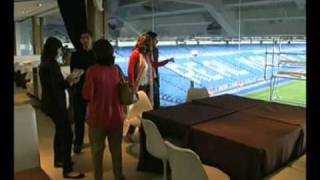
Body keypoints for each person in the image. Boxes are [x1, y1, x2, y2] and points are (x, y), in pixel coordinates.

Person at [39, 37, 84, 179]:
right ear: (54, 49)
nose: (60, 51)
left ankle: (59, 159)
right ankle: (67, 169)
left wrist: (70, 80)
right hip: (56, 105)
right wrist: (70, 79)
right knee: (67, 135)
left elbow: (55, 86)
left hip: (51, 104)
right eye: (59, 48)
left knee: (60, 132)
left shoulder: (46, 64)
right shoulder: (51, 65)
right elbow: (57, 86)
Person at [83, 39, 126, 180]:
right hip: (116, 117)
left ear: (96, 54)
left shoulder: (92, 71)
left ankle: (98, 178)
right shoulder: (117, 69)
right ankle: (118, 176)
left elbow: (87, 95)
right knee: (116, 151)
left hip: (97, 118)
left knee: (97, 153)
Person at [125, 33, 155, 142]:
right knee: (137, 112)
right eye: (151, 43)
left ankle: (140, 133)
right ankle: (131, 133)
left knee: (143, 112)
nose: (153, 45)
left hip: (146, 86)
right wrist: (133, 87)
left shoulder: (145, 55)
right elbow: (130, 71)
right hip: (139, 87)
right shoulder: (135, 54)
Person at [70, 29, 96, 154]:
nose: (85, 40)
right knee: (79, 117)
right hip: (79, 90)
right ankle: (78, 142)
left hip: (94, 92)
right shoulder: (75, 55)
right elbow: (72, 73)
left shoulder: (96, 55)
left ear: (91, 39)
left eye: (87, 37)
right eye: (82, 38)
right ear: (80, 40)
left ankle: (96, 140)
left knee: (95, 116)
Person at [146, 31, 174, 109]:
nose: (156, 41)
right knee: (153, 101)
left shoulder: (154, 49)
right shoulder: (150, 50)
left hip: (153, 77)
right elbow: (154, 64)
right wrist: (167, 61)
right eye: (155, 39)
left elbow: (154, 65)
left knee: (154, 100)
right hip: (149, 79)